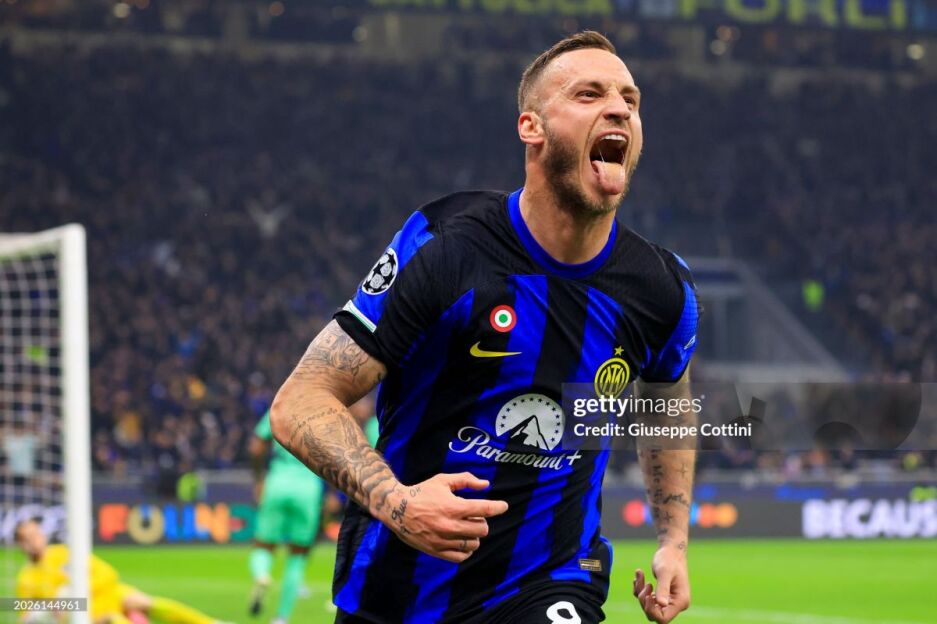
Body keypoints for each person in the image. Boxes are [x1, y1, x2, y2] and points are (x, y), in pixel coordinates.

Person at [270, 31, 698, 624]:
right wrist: (397, 502)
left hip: (550, 584)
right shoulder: (446, 247)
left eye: (630, 99)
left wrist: (673, 541)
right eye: (589, 94)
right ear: (531, 128)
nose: (620, 108)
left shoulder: (660, 290)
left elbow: (666, 405)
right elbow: (300, 401)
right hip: (398, 593)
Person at [14, 520, 226, 624]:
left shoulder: (63, 553)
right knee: (111, 619)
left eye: (36, 533)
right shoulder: (26, 579)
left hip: (106, 594)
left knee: (145, 602)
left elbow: (107, 573)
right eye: (28, 538)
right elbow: (26, 616)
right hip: (83, 615)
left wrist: (82, 590)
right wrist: (52, 609)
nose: (35, 540)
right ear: (21, 545)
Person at [247, 409, 326, 623]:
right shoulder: (324, 410)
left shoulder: (281, 406)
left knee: (264, 546)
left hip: (278, 481)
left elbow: (256, 448)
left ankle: (262, 575)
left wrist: (258, 480)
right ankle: (281, 617)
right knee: (297, 556)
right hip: (308, 486)